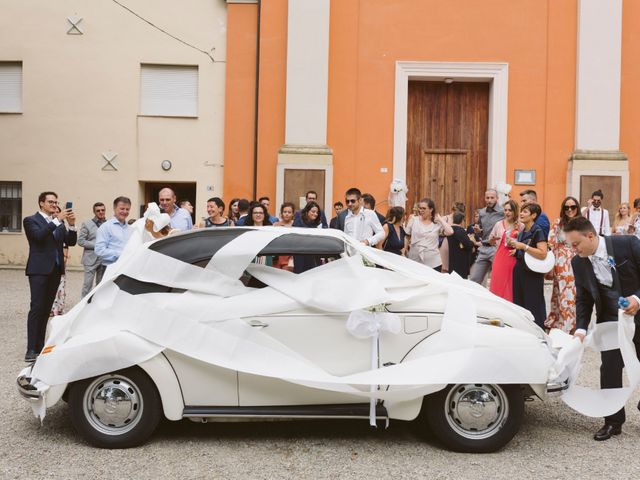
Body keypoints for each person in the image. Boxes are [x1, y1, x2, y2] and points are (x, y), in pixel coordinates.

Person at [564, 216, 640, 441]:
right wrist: (580, 329)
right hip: (609, 318)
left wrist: (637, 298)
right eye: (570, 245)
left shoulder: (628, 243)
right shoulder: (578, 262)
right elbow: (584, 299)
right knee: (609, 369)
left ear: (590, 236)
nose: (573, 249)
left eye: (575, 244)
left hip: (639, 314)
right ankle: (613, 421)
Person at [23, 191, 77, 362]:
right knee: (37, 308)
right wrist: (57, 220)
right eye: (51, 202)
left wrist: (72, 225)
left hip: (55, 269)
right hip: (38, 269)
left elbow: (71, 241)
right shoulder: (31, 220)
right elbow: (38, 237)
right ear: (41, 203)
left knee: (47, 310)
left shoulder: (58, 223)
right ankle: (31, 349)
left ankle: (40, 346)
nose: (54, 205)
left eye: (55, 202)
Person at [507, 203, 548, 329]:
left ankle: (538, 330)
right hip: (520, 270)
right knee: (519, 303)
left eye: (525, 212)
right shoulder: (522, 231)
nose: (521, 214)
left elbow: (542, 253)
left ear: (533, 215)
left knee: (533, 303)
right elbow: (526, 251)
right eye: (521, 211)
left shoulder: (537, 230)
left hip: (532, 273)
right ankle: (523, 329)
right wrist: (516, 250)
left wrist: (523, 247)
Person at [545, 196, 581, 333]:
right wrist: (550, 265)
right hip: (561, 261)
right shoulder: (558, 223)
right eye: (566, 207)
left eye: (573, 207)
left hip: (578, 259)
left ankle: (572, 323)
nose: (570, 210)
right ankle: (559, 321)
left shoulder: (582, 223)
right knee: (560, 292)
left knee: (574, 293)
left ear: (577, 207)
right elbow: (551, 243)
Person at [405, 198, 453, 272]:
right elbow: (407, 236)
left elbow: (450, 232)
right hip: (414, 260)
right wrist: (403, 251)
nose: (421, 210)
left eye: (424, 208)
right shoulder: (414, 220)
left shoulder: (436, 223)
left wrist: (440, 219)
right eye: (420, 208)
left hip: (433, 262)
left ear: (431, 209)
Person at [488, 199, 522, 302]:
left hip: (513, 257)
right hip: (499, 257)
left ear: (515, 211)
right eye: (505, 210)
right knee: (498, 282)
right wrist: (492, 240)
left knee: (510, 284)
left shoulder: (521, 226)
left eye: (510, 210)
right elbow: (490, 241)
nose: (507, 212)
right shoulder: (498, 224)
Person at [469, 189, 504, 284]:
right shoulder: (481, 212)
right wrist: (478, 232)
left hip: (496, 249)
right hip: (483, 248)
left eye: (492, 198)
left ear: (497, 198)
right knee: (474, 280)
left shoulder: (503, 212)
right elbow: (481, 233)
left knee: (499, 279)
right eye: (487, 198)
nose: (489, 200)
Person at [78, 202, 107, 298]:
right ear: (94, 212)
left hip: (104, 259)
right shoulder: (87, 224)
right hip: (90, 259)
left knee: (101, 286)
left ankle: (96, 308)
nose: (101, 212)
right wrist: (97, 245)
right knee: (87, 286)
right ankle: (83, 308)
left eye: (102, 210)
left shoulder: (109, 224)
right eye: (98, 210)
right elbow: (81, 241)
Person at [95, 196, 132, 267]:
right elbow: (99, 250)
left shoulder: (131, 229)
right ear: (114, 209)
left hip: (127, 268)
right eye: (122, 209)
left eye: (127, 209)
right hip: (110, 268)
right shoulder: (105, 227)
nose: (125, 211)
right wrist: (120, 254)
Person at [292, 201, 324, 273]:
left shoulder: (317, 224)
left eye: (317, 212)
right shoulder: (298, 222)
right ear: (307, 211)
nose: (315, 214)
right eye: (313, 211)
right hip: (300, 255)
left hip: (313, 255)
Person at [447, 211, 475, 278]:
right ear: (462, 220)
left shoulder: (449, 230)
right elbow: (468, 244)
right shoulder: (460, 231)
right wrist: (472, 241)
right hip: (460, 261)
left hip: (451, 259)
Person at [440, 202, 466, 273]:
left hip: (457, 246)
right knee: (445, 268)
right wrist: (444, 232)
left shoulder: (460, 219)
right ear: (453, 210)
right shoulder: (445, 218)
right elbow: (437, 231)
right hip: (447, 244)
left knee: (454, 269)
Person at [273, 202, 295, 271]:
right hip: (277, 256)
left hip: (289, 256)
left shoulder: (295, 225)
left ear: (292, 214)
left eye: (289, 212)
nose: (287, 214)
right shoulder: (275, 225)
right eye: (285, 212)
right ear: (281, 213)